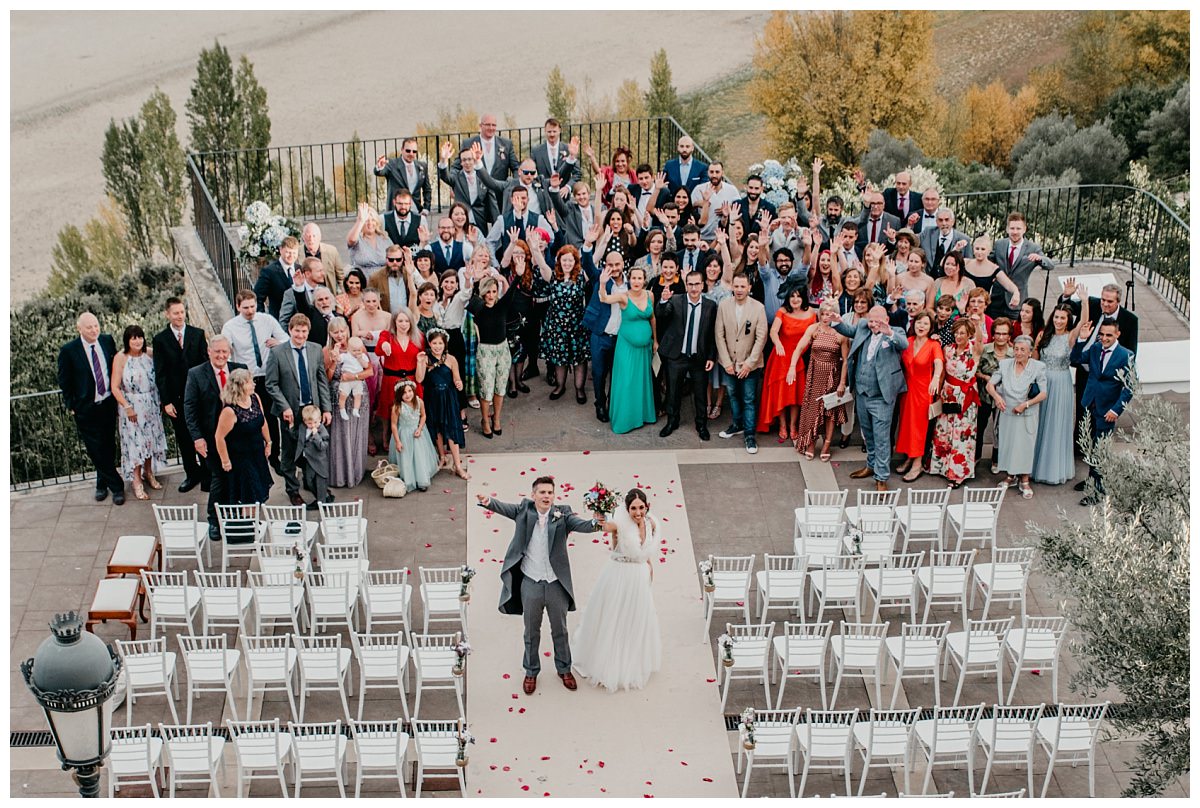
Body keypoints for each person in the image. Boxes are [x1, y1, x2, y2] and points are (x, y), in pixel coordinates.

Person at [478, 476, 603, 694]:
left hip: (556, 584)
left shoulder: (562, 514)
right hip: (530, 583)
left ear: (554, 496)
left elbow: (583, 525)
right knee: (531, 631)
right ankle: (531, 671)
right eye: (542, 492)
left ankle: (564, 669)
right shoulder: (523, 511)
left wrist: (597, 521)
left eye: (550, 492)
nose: (546, 496)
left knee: (560, 630)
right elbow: (503, 507)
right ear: (533, 494)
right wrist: (488, 501)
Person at [571, 488, 663, 692]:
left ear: (647, 506)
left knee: (635, 618)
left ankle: (631, 658)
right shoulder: (619, 524)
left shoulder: (652, 523)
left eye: (641, 507)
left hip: (639, 578)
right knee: (614, 617)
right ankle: (607, 663)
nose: (638, 512)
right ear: (627, 508)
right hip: (619, 576)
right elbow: (605, 526)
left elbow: (646, 554)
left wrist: (649, 574)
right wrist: (599, 515)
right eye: (633, 508)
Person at [1057, 278, 1139, 451]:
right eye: (1103, 299)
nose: (1105, 304)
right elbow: (1067, 308)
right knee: (1082, 411)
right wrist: (1066, 295)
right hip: (1086, 369)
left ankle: (1098, 456)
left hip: (1110, 377)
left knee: (1102, 419)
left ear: (1118, 301)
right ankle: (1079, 449)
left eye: (1110, 301)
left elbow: (1131, 351)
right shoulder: (1092, 304)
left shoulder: (1130, 320)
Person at [834, 305, 909, 490]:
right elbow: (847, 329)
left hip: (882, 396)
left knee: (882, 438)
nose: (873, 325)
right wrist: (836, 319)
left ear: (886, 320)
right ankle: (870, 465)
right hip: (862, 392)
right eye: (871, 321)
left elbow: (903, 344)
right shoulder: (863, 326)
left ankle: (881, 477)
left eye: (877, 321)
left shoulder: (895, 331)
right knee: (868, 435)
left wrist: (888, 332)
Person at [264, 314, 333, 506]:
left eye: (304, 331)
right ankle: (292, 490)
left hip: (313, 410)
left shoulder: (316, 349)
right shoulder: (278, 352)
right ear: (290, 330)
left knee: (315, 448)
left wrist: (326, 409)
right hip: (290, 410)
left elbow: (321, 380)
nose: (300, 335)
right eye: (297, 331)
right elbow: (271, 384)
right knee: (290, 453)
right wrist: (284, 406)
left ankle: (312, 482)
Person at [58, 312, 125, 504]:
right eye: (89, 327)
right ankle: (117, 487)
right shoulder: (69, 351)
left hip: (108, 404)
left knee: (108, 445)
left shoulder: (106, 341)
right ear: (79, 329)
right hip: (86, 408)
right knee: (95, 448)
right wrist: (72, 405)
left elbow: (115, 366)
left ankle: (101, 484)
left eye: (96, 325)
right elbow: (65, 380)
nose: (94, 330)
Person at [184, 336, 247, 537]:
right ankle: (214, 520)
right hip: (211, 439)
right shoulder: (196, 374)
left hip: (238, 438)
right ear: (209, 351)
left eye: (225, 352)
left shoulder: (240, 369)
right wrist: (197, 438)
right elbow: (190, 408)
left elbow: (250, 398)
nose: (221, 356)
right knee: (218, 478)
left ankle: (235, 516)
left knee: (237, 477)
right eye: (217, 351)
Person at [221, 289, 286, 471]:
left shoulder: (267, 320)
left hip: (268, 375)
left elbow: (286, 339)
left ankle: (274, 456)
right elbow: (225, 351)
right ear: (238, 306)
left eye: (253, 306)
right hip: (246, 379)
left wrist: (277, 343)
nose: (250, 311)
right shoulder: (230, 327)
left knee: (271, 418)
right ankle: (256, 457)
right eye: (246, 308)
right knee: (249, 419)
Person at [1072, 319, 1135, 505]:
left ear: (1117, 334)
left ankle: (1097, 491)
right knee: (1089, 444)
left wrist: (1116, 410)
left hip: (1107, 409)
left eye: (1109, 335)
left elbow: (1130, 387)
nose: (1105, 338)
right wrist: (1082, 340)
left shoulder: (1126, 355)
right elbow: (1074, 359)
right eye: (1102, 334)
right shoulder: (1095, 348)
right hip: (1089, 402)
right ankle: (1091, 479)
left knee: (1100, 449)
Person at [152, 297, 208, 493]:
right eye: (175, 313)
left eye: (182, 312)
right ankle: (192, 474)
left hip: (199, 396)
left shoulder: (197, 334)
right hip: (176, 399)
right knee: (184, 438)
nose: (180, 316)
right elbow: (160, 373)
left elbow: (205, 364)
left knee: (203, 433)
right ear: (168, 314)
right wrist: (166, 401)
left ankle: (208, 474)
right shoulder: (160, 340)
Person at [656, 269, 717, 440]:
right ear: (686, 285)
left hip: (699, 357)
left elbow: (712, 333)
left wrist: (711, 357)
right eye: (690, 284)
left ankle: (701, 425)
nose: (694, 287)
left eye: (697, 284)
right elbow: (661, 314)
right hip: (677, 355)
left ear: (702, 285)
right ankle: (672, 421)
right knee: (673, 392)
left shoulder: (710, 306)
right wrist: (663, 300)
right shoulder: (675, 300)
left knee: (700, 393)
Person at [986, 335, 1049, 499]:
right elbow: (990, 385)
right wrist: (997, 397)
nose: (1018, 352)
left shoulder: (1038, 367)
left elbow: (1043, 393)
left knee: (1025, 446)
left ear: (1029, 352)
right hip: (1007, 412)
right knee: (1008, 444)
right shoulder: (1005, 364)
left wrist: (1025, 405)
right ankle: (1010, 475)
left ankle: (1025, 479)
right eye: (1016, 349)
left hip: (1027, 413)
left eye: (1022, 349)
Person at [599, 263, 657, 435]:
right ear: (629, 280)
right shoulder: (623, 297)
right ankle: (624, 420)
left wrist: (655, 340)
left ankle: (642, 416)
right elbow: (604, 299)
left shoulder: (650, 295)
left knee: (641, 381)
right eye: (633, 278)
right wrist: (602, 283)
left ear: (644, 280)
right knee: (626, 381)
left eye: (640, 278)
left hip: (645, 347)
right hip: (626, 346)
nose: (636, 281)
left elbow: (652, 318)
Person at [756, 278, 817, 442]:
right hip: (781, 359)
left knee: (795, 396)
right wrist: (778, 344)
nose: (795, 299)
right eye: (792, 296)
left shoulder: (812, 314)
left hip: (800, 360)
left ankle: (793, 425)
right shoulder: (783, 311)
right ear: (788, 298)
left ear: (803, 297)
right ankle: (782, 425)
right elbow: (773, 331)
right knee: (781, 395)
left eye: (798, 296)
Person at [111, 325, 168, 501]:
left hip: (150, 404)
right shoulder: (121, 358)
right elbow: (114, 386)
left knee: (150, 441)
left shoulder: (149, 354)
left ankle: (149, 473)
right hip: (132, 407)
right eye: (133, 338)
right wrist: (127, 407)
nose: (137, 341)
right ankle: (136, 480)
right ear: (127, 340)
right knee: (136, 444)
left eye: (140, 337)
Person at [715, 273, 769, 455]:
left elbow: (761, 338)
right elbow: (719, 335)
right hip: (729, 362)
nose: (739, 290)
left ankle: (749, 435)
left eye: (742, 287)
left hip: (750, 363)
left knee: (748, 399)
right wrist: (726, 362)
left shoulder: (758, 308)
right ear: (732, 287)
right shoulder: (723, 306)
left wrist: (749, 364)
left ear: (749, 288)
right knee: (733, 395)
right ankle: (736, 424)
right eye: (736, 286)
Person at [930, 317, 986, 488]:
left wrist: (976, 326)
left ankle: (958, 473)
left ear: (968, 334)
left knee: (961, 434)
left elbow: (980, 343)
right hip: (948, 393)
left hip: (965, 396)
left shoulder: (973, 350)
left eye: (962, 333)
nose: (958, 336)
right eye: (956, 332)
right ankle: (942, 467)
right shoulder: (948, 349)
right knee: (944, 431)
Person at [531, 243, 590, 403]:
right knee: (559, 358)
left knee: (579, 359)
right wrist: (535, 249)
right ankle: (560, 386)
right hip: (557, 327)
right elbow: (541, 265)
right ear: (559, 261)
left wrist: (591, 244)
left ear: (575, 261)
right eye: (564, 260)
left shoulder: (581, 276)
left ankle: (579, 389)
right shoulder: (552, 275)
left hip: (577, 326)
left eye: (570, 260)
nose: (567, 263)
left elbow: (594, 258)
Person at [791, 299, 849, 460]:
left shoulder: (841, 334)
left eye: (829, 314)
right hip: (815, 375)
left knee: (830, 412)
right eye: (823, 313)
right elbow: (799, 348)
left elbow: (846, 360)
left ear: (835, 315)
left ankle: (827, 444)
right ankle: (811, 441)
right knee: (812, 410)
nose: (825, 317)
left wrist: (842, 383)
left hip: (833, 376)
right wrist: (791, 367)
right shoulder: (813, 329)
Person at [1032, 304, 1083, 485]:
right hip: (1044, 381)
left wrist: (1084, 302)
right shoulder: (1043, 335)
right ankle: (1034, 465)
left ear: (1068, 320)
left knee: (1056, 423)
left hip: (1061, 383)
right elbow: (1034, 359)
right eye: (1056, 317)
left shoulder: (1070, 337)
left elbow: (1083, 323)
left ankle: (1053, 469)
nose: (1058, 321)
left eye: (1062, 318)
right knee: (1039, 422)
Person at [580, 228, 626, 423]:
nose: (614, 268)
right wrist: (588, 245)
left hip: (622, 338)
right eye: (610, 264)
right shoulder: (600, 276)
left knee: (617, 375)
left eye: (617, 264)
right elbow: (587, 264)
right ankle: (600, 404)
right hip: (600, 335)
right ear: (605, 265)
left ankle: (615, 404)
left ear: (623, 264)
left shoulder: (631, 284)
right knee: (599, 373)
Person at [895, 310, 945, 483]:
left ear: (931, 327)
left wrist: (936, 378)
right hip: (906, 390)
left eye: (925, 323)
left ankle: (918, 463)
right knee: (906, 425)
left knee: (919, 428)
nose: (921, 326)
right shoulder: (907, 342)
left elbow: (939, 362)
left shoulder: (933, 344)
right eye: (918, 322)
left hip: (924, 391)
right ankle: (909, 456)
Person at [323, 317, 371, 488]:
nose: (340, 335)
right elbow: (327, 378)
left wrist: (353, 376)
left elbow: (370, 370)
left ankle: (356, 472)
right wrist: (335, 361)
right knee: (340, 434)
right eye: (335, 332)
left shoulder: (356, 345)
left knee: (357, 432)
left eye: (342, 331)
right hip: (338, 397)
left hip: (358, 394)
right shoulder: (326, 350)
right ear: (330, 333)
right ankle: (340, 475)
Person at [213, 367, 273, 506]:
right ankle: (248, 523)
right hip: (242, 459)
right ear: (239, 386)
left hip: (257, 453)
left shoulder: (255, 398)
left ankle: (254, 520)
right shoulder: (229, 411)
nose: (254, 384)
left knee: (258, 492)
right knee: (249, 495)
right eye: (249, 382)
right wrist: (225, 461)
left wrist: (268, 442)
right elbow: (219, 437)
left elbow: (262, 421)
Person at [415, 328, 469, 481]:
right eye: (434, 343)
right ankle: (442, 457)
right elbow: (419, 379)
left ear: (445, 344)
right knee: (437, 428)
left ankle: (457, 465)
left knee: (451, 429)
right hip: (432, 397)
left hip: (448, 397)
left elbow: (457, 379)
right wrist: (419, 363)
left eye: (440, 343)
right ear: (429, 344)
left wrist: (459, 384)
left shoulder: (451, 359)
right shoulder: (425, 359)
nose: (437, 346)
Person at [466, 275, 516, 437]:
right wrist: (473, 279)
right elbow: (469, 296)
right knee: (486, 389)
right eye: (488, 291)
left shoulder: (501, 306)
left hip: (502, 350)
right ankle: (485, 420)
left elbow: (512, 292)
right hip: (485, 351)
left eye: (494, 291)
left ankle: (497, 418)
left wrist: (519, 275)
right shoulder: (477, 306)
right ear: (483, 292)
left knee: (500, 388)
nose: (491, 295)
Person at [989, 211, 1054, 319]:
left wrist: (1040, 258)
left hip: (1017, 301)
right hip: (996, 299)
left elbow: (1050, 265)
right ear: (1007, 229)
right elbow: (989, 261)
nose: (1015, 232)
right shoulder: (999, 244)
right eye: (1012, 228)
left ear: (1024, 229)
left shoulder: (1033, 248)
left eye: (1018, 229)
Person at [350, 290, 391, 455]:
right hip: (364, 357)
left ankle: (385, 435)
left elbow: (391, 337)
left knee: (384, 398)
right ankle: (369, 437)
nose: (371, 305)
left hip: (383, 358)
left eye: (374, 301)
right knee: (367, 399)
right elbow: (353, 338)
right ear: (363, 301)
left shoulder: (387, 316)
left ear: (379, 300)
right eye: (368, 301)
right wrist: (360, 333)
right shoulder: (357, 317)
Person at [375, 310, 423, 446]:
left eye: (407, 321)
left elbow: (423, 356)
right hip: (391, 380)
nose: (403, 324)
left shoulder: (418, 337)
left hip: (411, 380)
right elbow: (379, 349)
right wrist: (384, 345)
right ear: (394, 322)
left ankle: (412, 435)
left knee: (412, 408)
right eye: (400, 321)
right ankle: (386, 433)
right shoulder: (387, 336)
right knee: (388, 407)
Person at [976, 317, 1014, 472]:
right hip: (984, 396)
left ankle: (996, 460)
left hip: (1003, 398)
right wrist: (985, 377)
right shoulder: (985, 349)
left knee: (1000, 430)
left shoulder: (1013, 353)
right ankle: (976, 457)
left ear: (1009, 336)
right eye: (997, 333)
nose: (1000, 337)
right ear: (993, 334)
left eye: (1004, 334)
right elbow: (975, 369)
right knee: (979, 427)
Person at [388, 380, 440, 492]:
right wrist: (398, 441)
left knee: (419, 456)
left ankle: (421, 479)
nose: (408, 395)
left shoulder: (419, 401)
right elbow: (393, 425)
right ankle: (409, 479)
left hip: (418, 433)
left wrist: (420, 428)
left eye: (410, 391)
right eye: (404, 393)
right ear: (399, 395)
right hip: (404, 435)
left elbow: (423, 416)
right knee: (407, 457)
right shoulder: (397, 407)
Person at [963, 235, 1021, 312]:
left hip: (982, 307)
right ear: (973, 249)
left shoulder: (993, 268)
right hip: (964, 305)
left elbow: (1008, 284)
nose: (979, 252)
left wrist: (1016, 293)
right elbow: (944, 263)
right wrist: (956, 249)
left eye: (983, 249)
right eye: (977, 249)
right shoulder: (965, 262)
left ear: (988, 251)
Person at [374, 137, 431, 214]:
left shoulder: (422, 166)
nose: (411, 153)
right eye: (408, 151)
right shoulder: (392, 164)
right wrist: (379, 166)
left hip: (416, 212)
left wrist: (426, 208)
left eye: (414, 151)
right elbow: (379, 172)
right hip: (395, 212)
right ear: (402, 150)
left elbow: (427, 189)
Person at [253, 237, 300, 321]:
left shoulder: (300, 269)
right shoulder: (269, 271)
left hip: (299, 323)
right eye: (288, 252)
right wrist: (263, 320)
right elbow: (257, 297)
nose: (291, 256)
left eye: (294, 253)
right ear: (281, 250)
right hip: (278, 321)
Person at [294, 404, 331, 509]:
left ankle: (322, 502)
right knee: (309, 482)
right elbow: (297, 436)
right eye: (310, 423)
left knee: (320, 484)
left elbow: (323, 446)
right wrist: (291, 427)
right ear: (305, 421)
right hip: (308, 460)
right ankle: (321, 498)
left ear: (319, 419)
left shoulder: (322, 430)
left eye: (315, 422)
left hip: (319, 461)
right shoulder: (302, 428)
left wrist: (316, 436)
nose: (313, 425)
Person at [346, 203, 393, 279]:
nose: (370, 223)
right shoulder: (357, 238)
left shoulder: (384, 237)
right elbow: (351, 239)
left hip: (384, 281)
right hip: (364, 283)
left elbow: (394, 255)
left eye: (373, 220)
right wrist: (361, 220)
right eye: (366, 220)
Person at [301, 222, 346, 294]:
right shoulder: (297, 253)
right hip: (306, 296)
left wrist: (343, 295)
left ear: (320, 237)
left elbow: (341, 277)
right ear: (303, 237)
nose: (311, 239)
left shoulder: (331, 251)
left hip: (328, 294)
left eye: (314, 236)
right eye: (308, 236)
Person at [336, 336, 370, 419]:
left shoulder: (363, 356)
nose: (357, 352)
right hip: (346, 380)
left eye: (359, 350)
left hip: (357, 380)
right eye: (354, 350)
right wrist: (337, 350)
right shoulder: (346, 356)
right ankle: (342, 410)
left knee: (358, 395)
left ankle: (356, 409)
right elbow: (338, 359)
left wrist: (360, 359)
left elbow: (366, 365)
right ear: (348, 349)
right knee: (343, 395)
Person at [932, 250, 975, 315]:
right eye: (947, 264)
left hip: (960, 322)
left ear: (960, 267)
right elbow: (929, 307)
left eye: (953, 265)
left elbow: (972, 308)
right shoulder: (938, 282)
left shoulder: (969, 284)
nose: (949, 267)